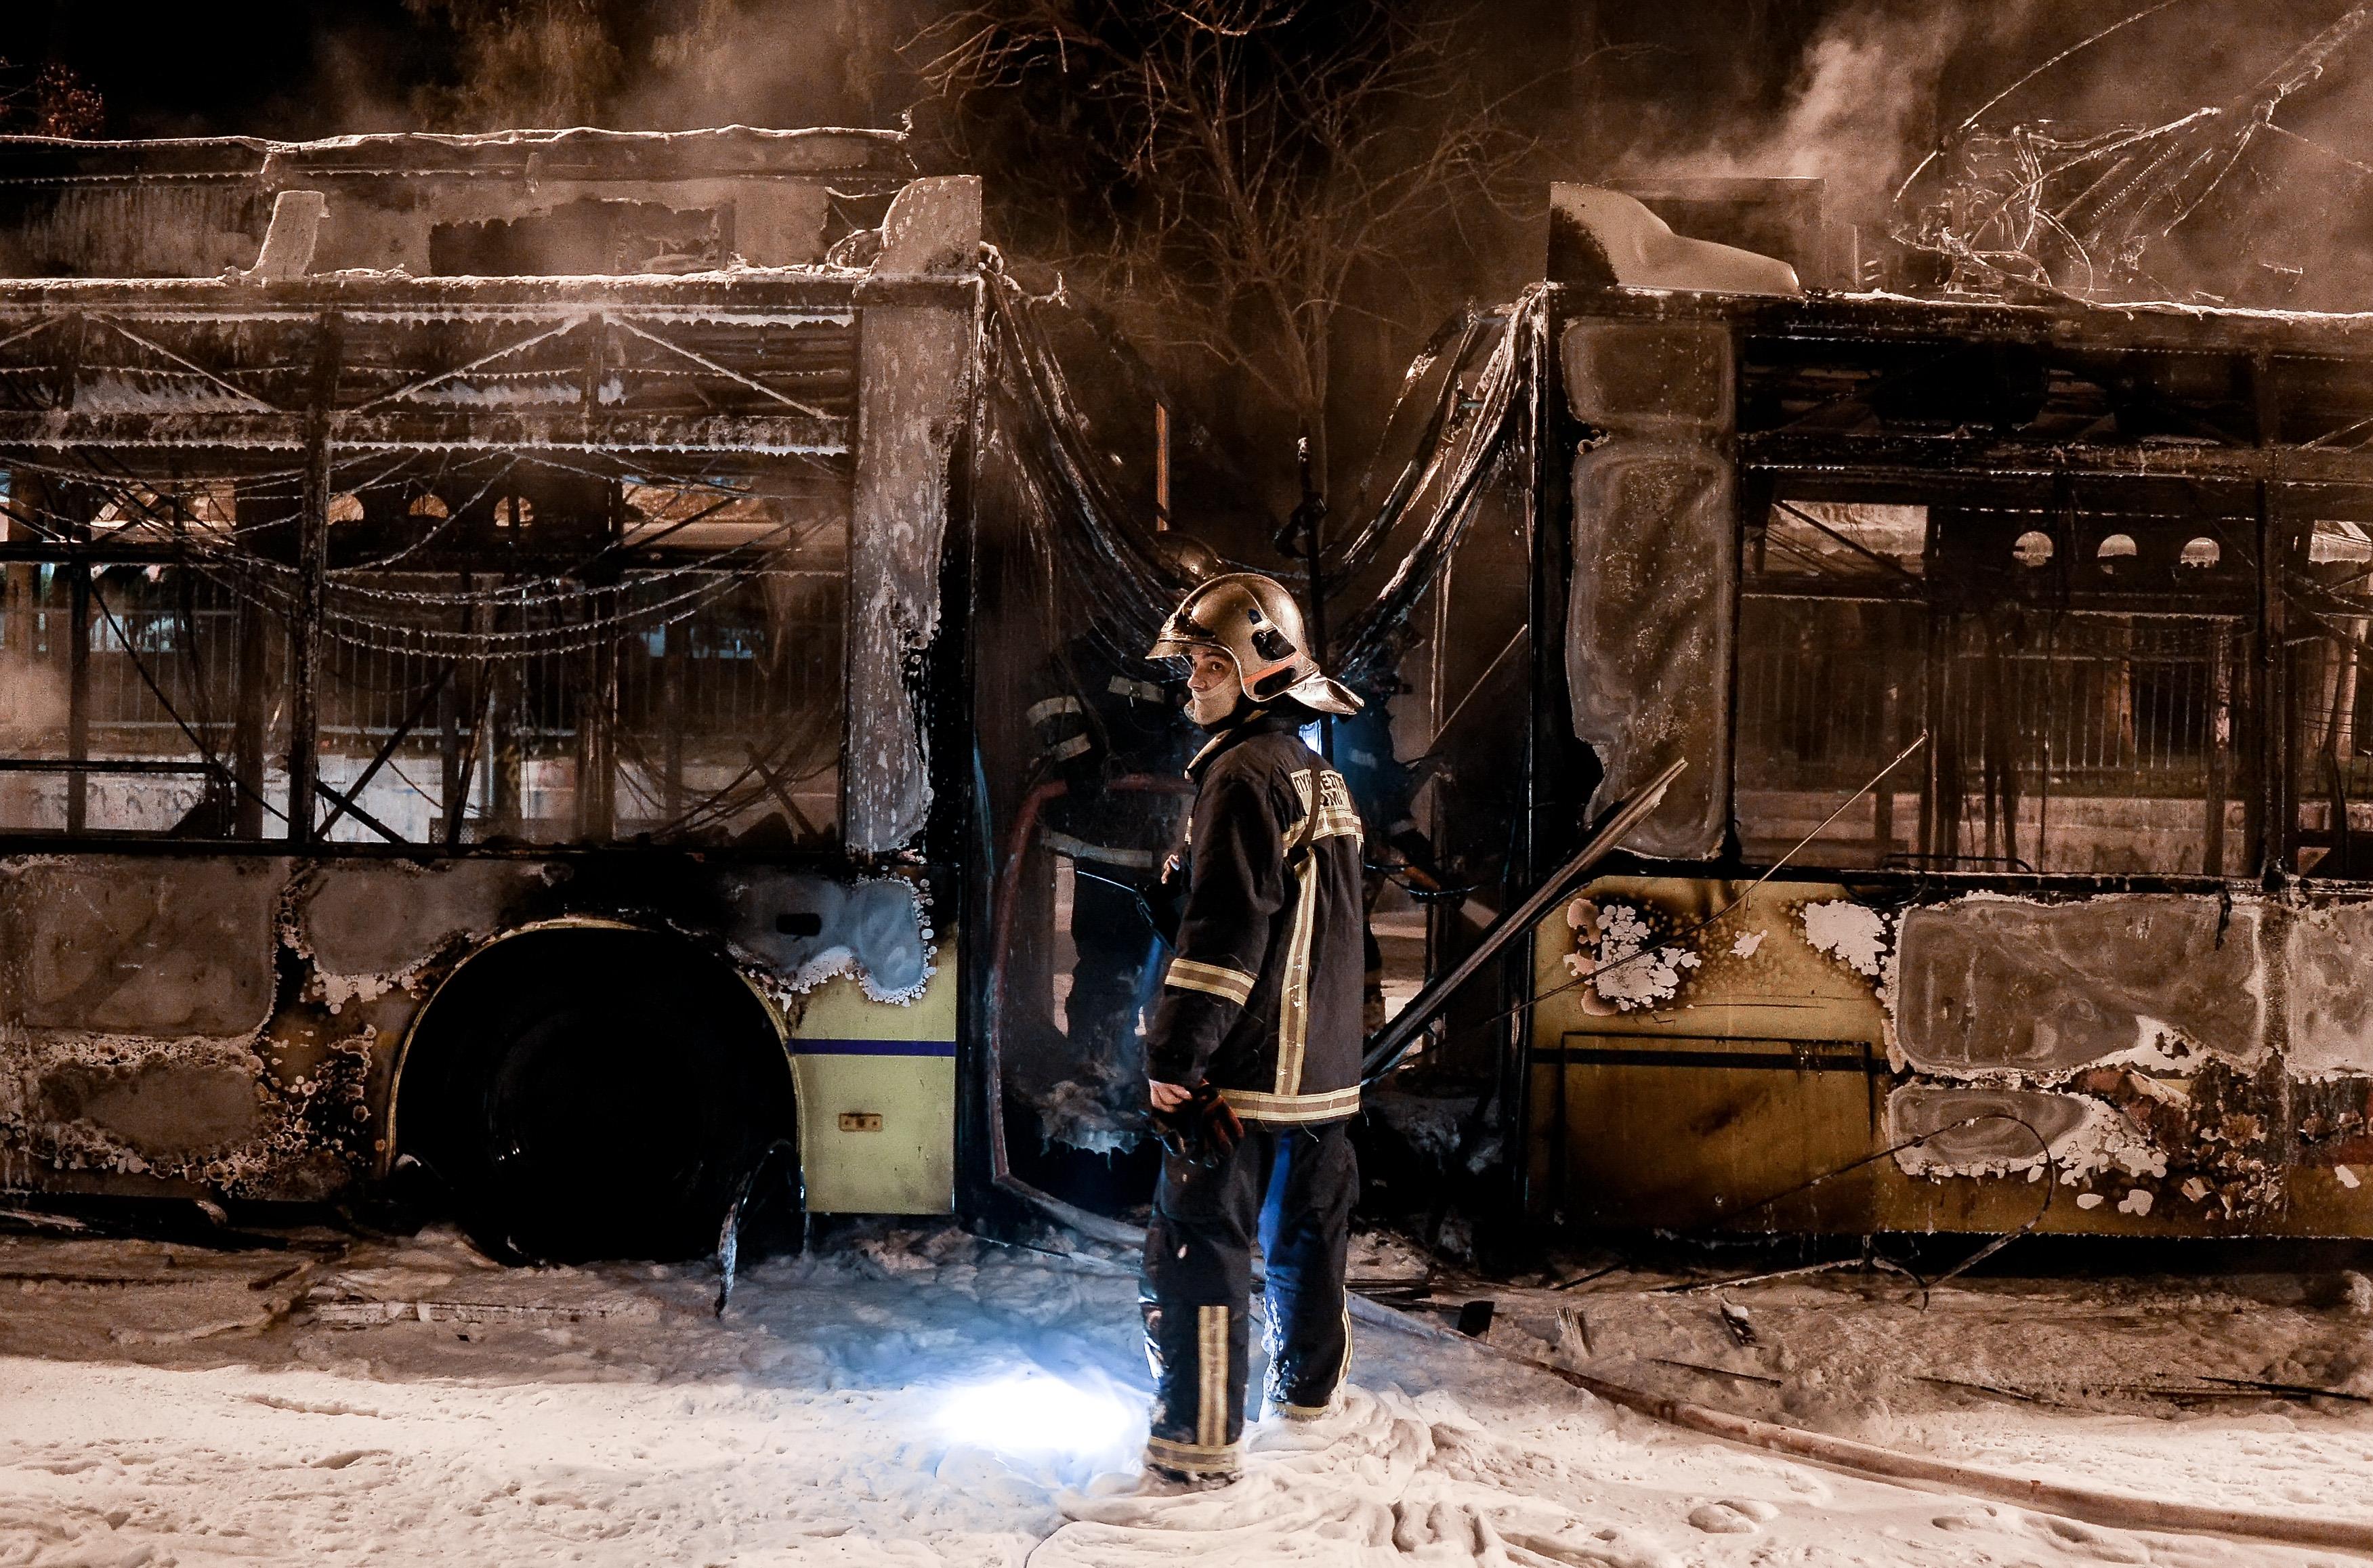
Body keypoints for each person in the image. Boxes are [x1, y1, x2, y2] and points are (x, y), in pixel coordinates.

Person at [1135, 570, 1366, 1491]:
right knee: (1310, 1236)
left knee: (1200, 1243)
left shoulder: (1240, 775)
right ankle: (1309, 1405)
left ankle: (1198, 1443)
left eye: (1207, 663)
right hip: (1322, 1072)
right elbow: (1309, 917)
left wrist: (1176, 1055)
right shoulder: (1317, 774)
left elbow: (1228, 938)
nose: (1190, 680)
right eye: (1191, 663)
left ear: (1260, 668)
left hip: (1243, 1067)